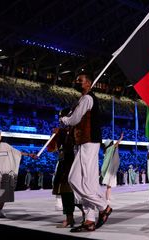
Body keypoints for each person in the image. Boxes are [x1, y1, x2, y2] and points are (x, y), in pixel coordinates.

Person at [60, 73, 111, 232]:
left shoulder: (87, 99)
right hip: (85, 143)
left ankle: (104, 207)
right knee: (89, 183)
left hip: (88, 142)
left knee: (74, 179)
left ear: (88, 83)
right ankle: (89, 220)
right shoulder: (84, 99)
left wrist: (64, 120)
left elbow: (74, 120)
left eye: (80, 81)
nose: (76, 82)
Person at [48, 113, 84, 228]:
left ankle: (87, 215)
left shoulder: (78, 130)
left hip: (75, 163)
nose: (61, 120)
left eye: (63, 118)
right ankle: (69, 218)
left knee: (78, 194)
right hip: (64, 165)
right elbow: (51, 149)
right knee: (65, 191)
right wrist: (53, 137)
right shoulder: (61, 132)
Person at [101, 133, 123, 204]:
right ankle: (107, 199)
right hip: (108, 170)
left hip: (107, 169)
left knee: (109, 185)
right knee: (109, 186)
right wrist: (121, 138)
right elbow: (116, 144)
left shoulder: (107, 150)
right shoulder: (110, 149)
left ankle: (108, 196)